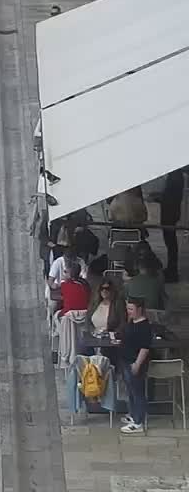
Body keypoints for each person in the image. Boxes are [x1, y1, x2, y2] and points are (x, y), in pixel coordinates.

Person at [117, 297, 153, 434]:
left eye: (131, 309)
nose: (129, 311)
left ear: (139, 310)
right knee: (131, 391)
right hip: (125, 360)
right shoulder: (132, 322)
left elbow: (145, 348)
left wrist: (137, 364)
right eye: (128, 309)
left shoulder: (144, 326)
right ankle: (133, 414)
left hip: (134, 361)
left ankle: (138, 422)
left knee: (137, 392)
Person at [161, 167, 183, 282]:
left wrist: (157, 197)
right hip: (171, 213)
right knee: (170, 243)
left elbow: (169, 197)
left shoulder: (175, 176)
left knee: (171, 244)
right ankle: (171, 269)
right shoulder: (175, 175)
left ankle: (172, 271)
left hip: (170, 214)